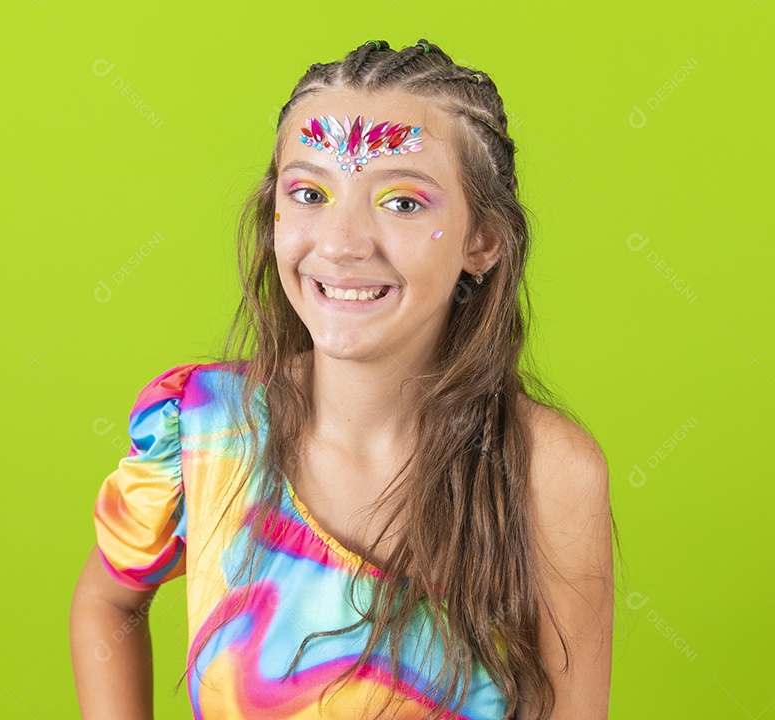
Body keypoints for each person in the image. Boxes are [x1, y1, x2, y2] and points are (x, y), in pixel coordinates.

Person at [70, 38, 617, 720]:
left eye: (403, 203)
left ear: (484, 240)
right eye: (309, 193)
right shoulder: (203, 430)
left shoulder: (548, 472)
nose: (341, 242)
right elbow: (107, 604)